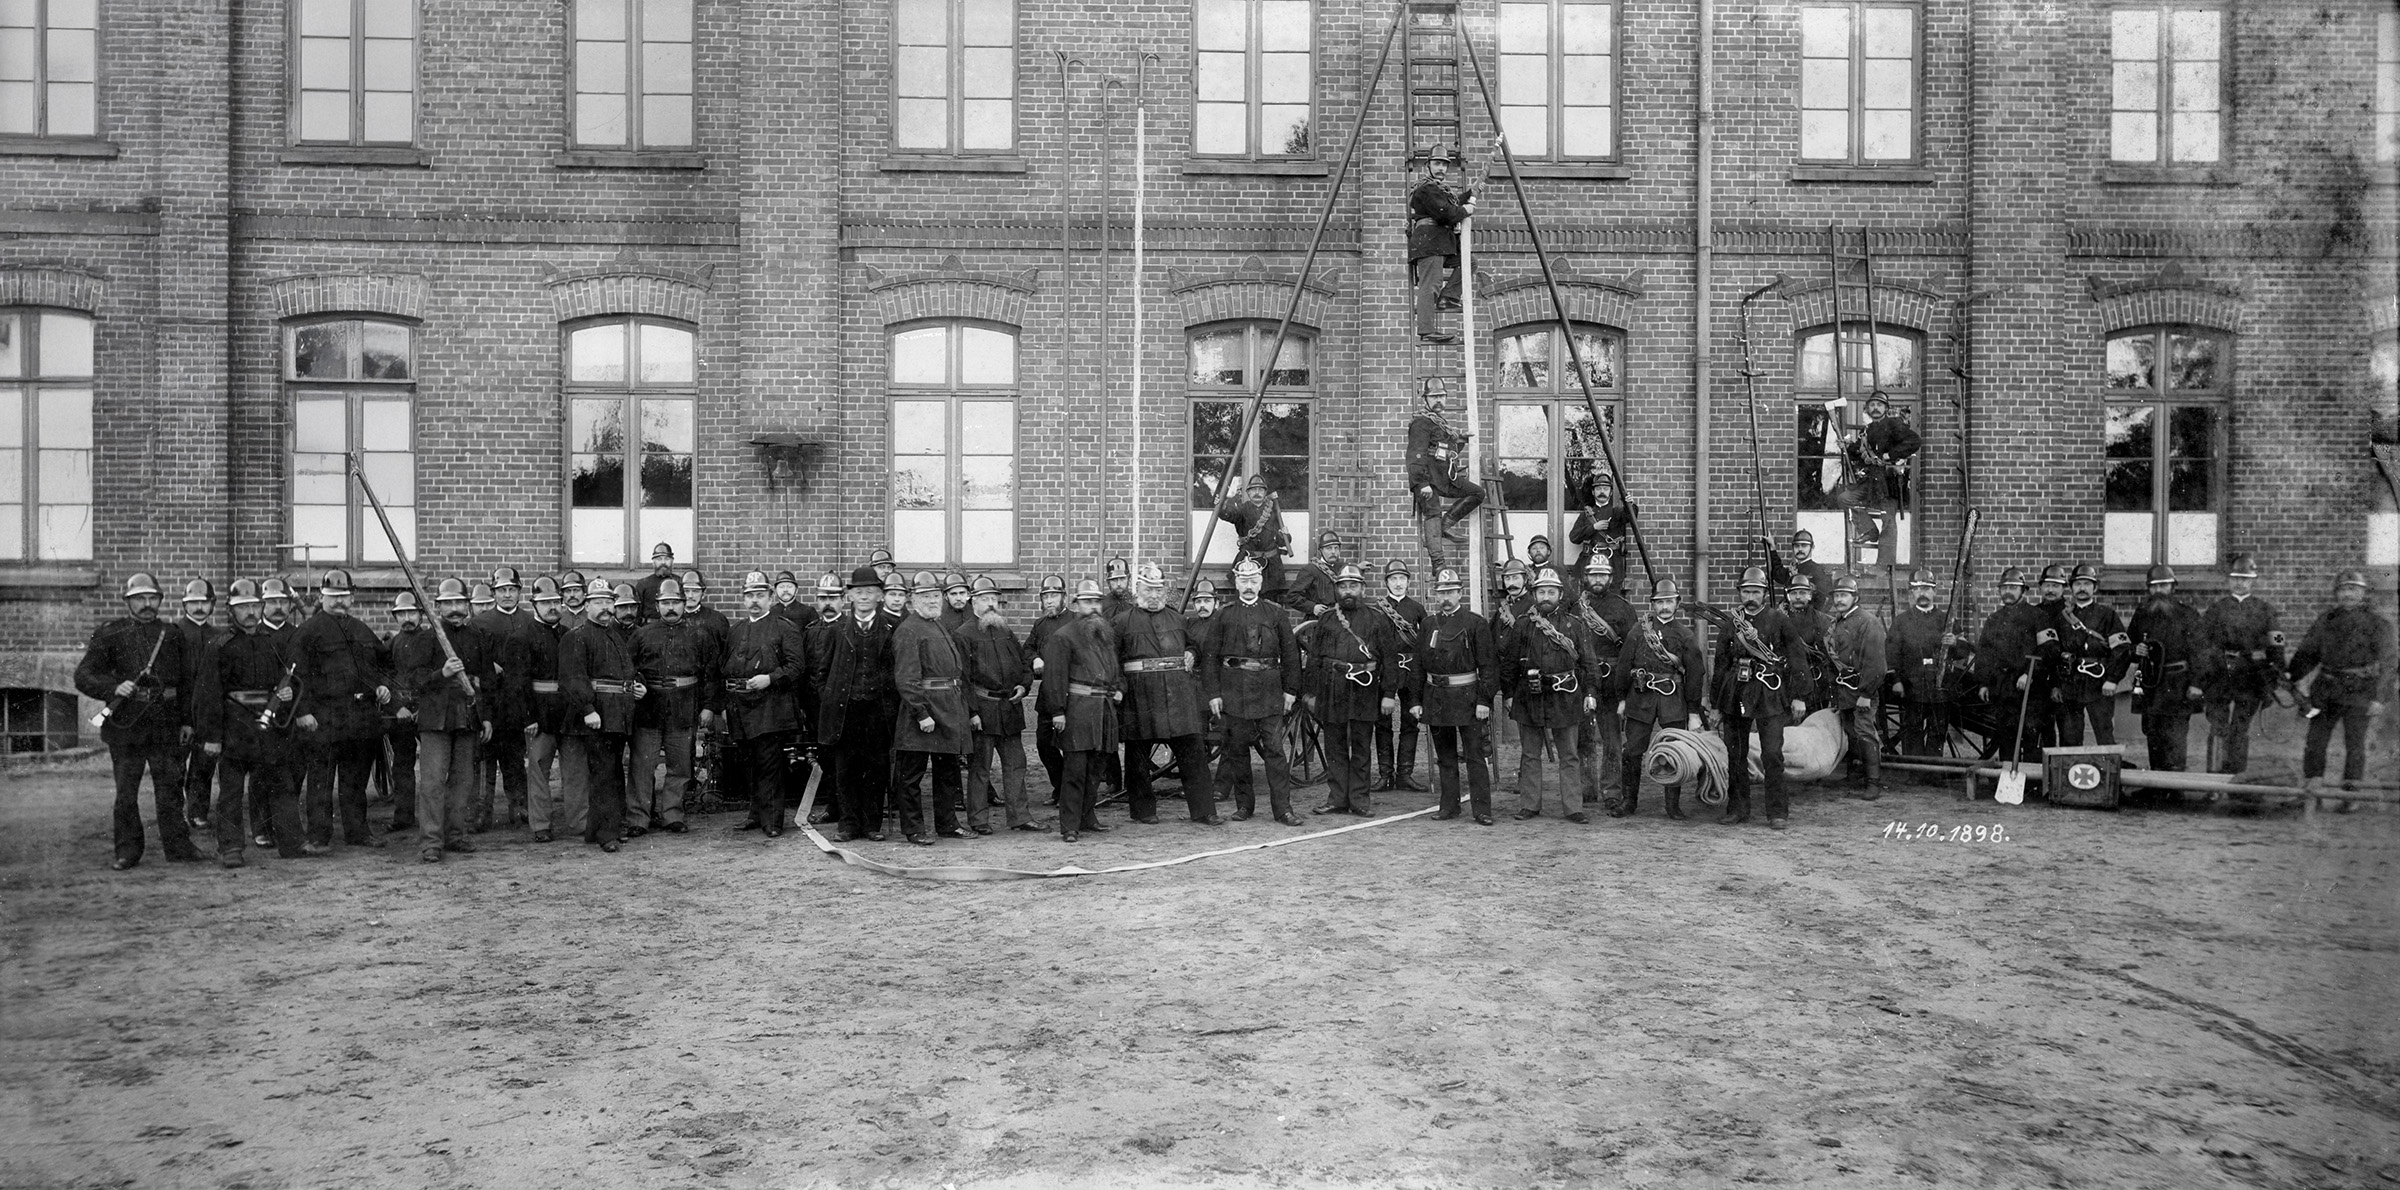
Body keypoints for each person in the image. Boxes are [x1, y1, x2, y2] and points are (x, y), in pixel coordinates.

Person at [77, 572, 198, 868]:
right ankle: (127, 851)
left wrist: (187, 721)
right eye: (140, 598)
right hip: (126, 725)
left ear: (159, 600)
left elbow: (185, 682)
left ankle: (178, 847)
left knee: (170, 789)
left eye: (152, 598)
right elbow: (83, 675)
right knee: (126, 793)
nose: (146, 604)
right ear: (128, 601)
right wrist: (112, 688)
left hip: (165, 723)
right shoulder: (110, 633)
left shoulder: (171, 634)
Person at [194, 579, 303, 866]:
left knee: (282, 786)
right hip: (234, 729)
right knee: (231, 792)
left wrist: (287, 694)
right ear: (231, 611)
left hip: (268, 730)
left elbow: (284, 683)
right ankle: (231, 848)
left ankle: (291, 843)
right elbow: (208, 695)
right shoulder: (219, 646)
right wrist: (212, 737)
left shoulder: (273, 644)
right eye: (243, 607)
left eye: (255, 605)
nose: (250, 612)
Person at [391, 579, 498, 863]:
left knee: (463, 781)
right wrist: (443, 673)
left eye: (459, 603)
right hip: (435, 719)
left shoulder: (478, 637)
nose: (454, 609)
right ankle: (431, 842)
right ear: (437, 607)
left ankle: (455, 835)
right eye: (447, 604)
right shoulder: (427, 639)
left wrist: (486, 718)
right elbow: (413, 679)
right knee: (433, 782)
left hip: (468, 717)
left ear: (467, 605)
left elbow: (487, 681)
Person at [1113, 563, 1223, 826]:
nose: (1153, 595)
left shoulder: (1177, 619)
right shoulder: (1121, 622)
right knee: (1138, 755)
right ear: (1138, 590)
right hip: (1140, 697)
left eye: (1158, 589)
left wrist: (1191, 653)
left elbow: (1193, 645)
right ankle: (1143, 811)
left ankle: (1203, 810)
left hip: (1177, 696)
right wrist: (1119, 688)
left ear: (1165, 591)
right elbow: (1112, 659)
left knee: (1193, 752)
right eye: (1148, 589)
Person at [290, 569, 391, 852]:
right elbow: (296, 677)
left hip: (360, 716)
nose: (338, 602)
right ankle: (319, 836)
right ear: (322, 597)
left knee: (356, 779)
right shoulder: (308, 632)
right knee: (321, 780)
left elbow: (384, 665)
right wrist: (302, 712)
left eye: (343, 596)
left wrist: (383, 686)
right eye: (332, 597)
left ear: (353, 597)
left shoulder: (362, 630)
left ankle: (358, 831)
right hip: (324, 716)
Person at [1202, 558, 1304, 825]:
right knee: (1237, 752)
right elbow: (1210, 657)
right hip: (1234, 692)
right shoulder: (1223, 615)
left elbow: (1291, 656)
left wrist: (1291, 690)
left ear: (1261, 583)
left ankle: (1283, 809)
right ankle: (1244, 806)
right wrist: (1214, 693)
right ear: (1236, 583)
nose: (1248, 586)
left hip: (1269, 691)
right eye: (1243, 581)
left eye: (1253, 581)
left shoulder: (1276, 614)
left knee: (1275, 752)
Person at [1711, 566, 1812, 830]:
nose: (1751, 597)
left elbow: (1797, 657)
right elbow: (1720, 663)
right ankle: (1737, 809)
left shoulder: (1779, 620)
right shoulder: (1731, 623)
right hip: (1736, 692)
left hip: (1770, 691)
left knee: (1772, 754)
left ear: (1764, 593)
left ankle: (1777, 812)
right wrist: (1716, 704)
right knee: (1736, 753)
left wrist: (1799, 696)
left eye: (1756, 591)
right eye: (1746, 591)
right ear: (1740, 593)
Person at [2285, 569, 2392, 806]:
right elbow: (2307, 653)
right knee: (2315, 743)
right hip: (2326, 689)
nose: (2347, 594)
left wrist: (2381, 698)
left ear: (2363, 592)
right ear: (2336, 593)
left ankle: (2350, 796)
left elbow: (2389, 663)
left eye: (2353, 589)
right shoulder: (2326, 620)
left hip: (2360, 690)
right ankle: (2313, 794)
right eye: (2343, 589)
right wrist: (2291, 674)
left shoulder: (2378, 624)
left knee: (2355, 745)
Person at [1503, 567, 1599, 823]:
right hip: (1529, 695)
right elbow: (1510, 663)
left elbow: (1589, 662)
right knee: (1530, 754)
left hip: (1565, 696)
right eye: (1542, 591)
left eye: (1551, 591)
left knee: (1569, 754)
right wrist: (1509, 695)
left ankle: (1573, 808)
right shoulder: (1524, 625)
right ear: (1535, 594)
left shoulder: (1574, 625)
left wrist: (1590, 692)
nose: (1546, 596)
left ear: (1560, 594)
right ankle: (1530, 805)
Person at [719, 570, 809, 836]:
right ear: (744, 600)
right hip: (740, 708)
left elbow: (796, 666)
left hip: (771, 707)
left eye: (760, 595)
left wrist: (770, 678)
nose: (755, 601)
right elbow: (724, 669)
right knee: (750, 765)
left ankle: (772, 821)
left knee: (769, 764)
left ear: (771, 598)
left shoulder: (785, 627)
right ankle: (755, 814)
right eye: (750, 596)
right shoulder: (735, 630)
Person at [1308, 564, 1402, 817]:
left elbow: (1390, 661)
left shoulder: (1377, 619)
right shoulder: (1327, 619)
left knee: (1361, 745)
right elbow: (1315, 659)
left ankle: (1360, 800)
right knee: (1335, 747)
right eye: (1343, 586)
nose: (1347, 591)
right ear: (1336, 589)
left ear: (1362, 588)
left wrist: (1388, 694)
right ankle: (1337, 798)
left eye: (1353, 586)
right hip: (1333, 687)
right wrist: (1311, 694)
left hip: (1365, 687)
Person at [887, 572, 974, 845]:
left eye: (936, 595)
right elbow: (906, 677)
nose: (932, 600)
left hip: (948, 709)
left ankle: (948, 824)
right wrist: (921, 713)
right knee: (911, 775)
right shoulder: (908, 630)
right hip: (922, 713)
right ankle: (913, 829)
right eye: (926, 596)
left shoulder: (938, 625)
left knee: (947, 772)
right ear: (913, 600)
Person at [815, 566, 900, 842]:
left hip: (878, 710)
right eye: (859, 592)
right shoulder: (837, 629)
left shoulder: (891, 629)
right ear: (849, 596)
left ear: (879, 596)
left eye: (870, 592)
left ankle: (871, 825)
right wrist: (832, 700)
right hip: (845, 711)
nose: (864, 597)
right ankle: (848, 825)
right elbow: (821, 673)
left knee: (876, 768)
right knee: (846, 768)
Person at [560, 578, 642, 852]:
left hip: (618, 714)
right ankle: (607, 834)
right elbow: (573, 678)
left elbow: (624, 672)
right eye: (599, 602)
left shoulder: (614, 634)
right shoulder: (576, 637)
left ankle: (598, 829)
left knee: (612, 771)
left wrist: (636, 685)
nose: (606, 607)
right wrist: (588, 709)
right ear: (586, 606)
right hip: (598, 716)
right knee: (604, 774)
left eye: (609, 602)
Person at [1040, 578, 1123, 842]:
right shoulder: (1064, 636)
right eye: (1087, 602)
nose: (1093, 607)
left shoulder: (1105, 633)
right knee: (1075, 770)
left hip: (1103, 711)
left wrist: (1121, 688)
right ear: (1076, 605)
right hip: (1077, 711)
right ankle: (1070, 827)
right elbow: (1054, 677)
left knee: (1096, 770)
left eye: (1097, 601)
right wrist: (1057, 711)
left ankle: (1088, 818)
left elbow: (1116, 670)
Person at [1616, 578, 1706, 819]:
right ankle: (1628, 801)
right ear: (1652, 605)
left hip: (1672, 699)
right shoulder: (1638, 631)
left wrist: (1694, 711)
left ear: (1677, 603)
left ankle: (1672, 806)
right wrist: (1622, 698)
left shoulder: (1685, 635)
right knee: (1632, 750)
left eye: (1669, 601)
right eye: (1659, 602)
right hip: (1640, 696)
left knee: (1673, 750)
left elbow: (1696, 674)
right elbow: (1624, 664)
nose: (1664, 607)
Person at [627, 576, 711, 837]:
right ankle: (639, 817)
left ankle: (672, 814)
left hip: (683, 708)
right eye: (666, 603)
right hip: (649, 708)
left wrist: (708, 706)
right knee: (643, 766)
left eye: (676, 602)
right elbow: (629, 669)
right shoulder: (641, 635)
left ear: (685, 604)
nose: (671, 607)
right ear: (657, 605)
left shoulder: (700, 634)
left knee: (680, 766)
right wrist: (638, 684)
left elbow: (711, 674)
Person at [955, 575, 1039, 833]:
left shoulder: (1006, 631)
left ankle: (1019, 817)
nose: (990, 604)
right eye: (984, 599)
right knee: (980, 768)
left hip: (1009, 709)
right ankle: (978, 820)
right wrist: (971, 712)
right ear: (973, 601)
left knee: (1016, 765)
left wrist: (1024, 686)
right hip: (983, 709)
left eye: (994, 599)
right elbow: (963, 679)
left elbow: (1025, 663)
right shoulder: (963, 634)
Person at [1414, 567, 1498, 824]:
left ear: (1460, 593)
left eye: (1451, 592)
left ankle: (1482, 810)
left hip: (1468, 698)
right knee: (1445, 756)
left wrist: (1484, 700)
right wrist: (1416, 701)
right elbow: (1418, 665)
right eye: (1442, 593)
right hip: (1437, 698)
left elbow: (1488, 666)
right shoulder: (1428, 625)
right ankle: (1449, 806)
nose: (1446, 597)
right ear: (1435, 596)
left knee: (1475, 755)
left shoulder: (1475, 623)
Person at [2120, 565, 2211, 775]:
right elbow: (2128, 647)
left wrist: (2197, 684)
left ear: (2172, 587)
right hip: (2151, 684)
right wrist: (2136, 649)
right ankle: (2157, 786)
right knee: (2153, 734)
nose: (2159, 590)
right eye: (2155, 586)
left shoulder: (2187, 614)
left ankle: (2175, 787)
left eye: (2164, 585)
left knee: (2176, 736)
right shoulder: (2142, 614)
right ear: (2149, 590)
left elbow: (2201, 652)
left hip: (2178, 684)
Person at [2202, 553, 2282, 776]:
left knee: (2240, 729)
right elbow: (2203, 643)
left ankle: (2236, 777)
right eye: (2235, 578)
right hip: (2220, 674)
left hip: (2251, 676)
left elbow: (2277, 641)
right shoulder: (2216, 610)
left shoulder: (2265, 610)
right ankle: (2214, 780)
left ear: (2252, 581)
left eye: (2244, 579)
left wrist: (2275, 673)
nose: (2239, 583)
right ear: (2228, 581)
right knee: (2218, 727)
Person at [469, 567, 537, 832]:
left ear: (520, 592)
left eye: (512, 589)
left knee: (514, 758)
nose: (507, 594)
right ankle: (481, 813)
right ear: (494, 592)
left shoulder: (529, 621)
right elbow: (470, 659)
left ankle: (518, 808)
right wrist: (488, 665)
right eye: (501, 590)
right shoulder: (480, 623)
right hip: (489, 702)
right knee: (485, 759)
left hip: (517, 702)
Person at [1572, 555, 1636, 812]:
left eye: (1602, 575)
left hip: (1611, 678)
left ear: (1610, 578)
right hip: (1583, 678)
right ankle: (1585, 789)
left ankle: (1611, 790)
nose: (1597, 580)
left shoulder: (1623, 607)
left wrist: (1624, 688)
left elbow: (1631, 648)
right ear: (1585, 577)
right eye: (1593, 575)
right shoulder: (1576, 608)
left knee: (1611, 738)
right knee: (1583, 736)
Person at [1973, 566, 2048, 765]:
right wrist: (1983, 683)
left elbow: (2049, 649)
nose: (2008, 591)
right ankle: (2008, 779)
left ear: (2023, 590)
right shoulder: (1994, 620)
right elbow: (1984, 654)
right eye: (2004, 587)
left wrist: (2029, 674)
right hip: (2003, 687)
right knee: (2005, 734)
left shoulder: (2037, 617)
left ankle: (2031, 784)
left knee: (2031, 734)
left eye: (2014, 587)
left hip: (2029, 688)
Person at [522, 576, 577, 843]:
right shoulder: (522, 637)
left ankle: (580, 821)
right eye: (545, 602)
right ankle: (541, 825)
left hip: (568, 712)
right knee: (539, 769)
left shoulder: (569, 635)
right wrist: (528, 716)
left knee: (576, 770)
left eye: (556, 601)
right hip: (539, 713)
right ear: (534, 604)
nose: (552, 607)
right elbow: (517, 683)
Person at [1823, 574, 1889, 799]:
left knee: (1865, 733)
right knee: (1851, 732)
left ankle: (1874, 782)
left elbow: (1876, 662)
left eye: (1844, 595)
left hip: (1862, 690)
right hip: (1844, 689)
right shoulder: (1838, 623)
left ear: (1855, 597)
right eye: (1837, 595)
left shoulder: (1868, 621)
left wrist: (1867, 693)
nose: (1839, 600)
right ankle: (1856, 774)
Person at [1887, 567, 1965, 757]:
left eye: (1927, 588)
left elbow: (1963, 652)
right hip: (1912, 686)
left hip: (1940, 688)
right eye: (1918, 589)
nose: (1922, 593)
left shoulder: (1947, 620)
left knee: (1937, 731)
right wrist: (1896, 680)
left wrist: (1955, 643)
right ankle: (1915, 772)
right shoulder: (1902, 621)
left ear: (1935, 591)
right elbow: (1892, 654)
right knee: (1912, 730)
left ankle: (1933, 773)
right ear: (1912, 593)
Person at [2051, 563, 2129, 748]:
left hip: (2099, 681)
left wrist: (2113, 679)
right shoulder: (2062, 618)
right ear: (2071, 588)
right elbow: (2054, 653)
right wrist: (2056, 685)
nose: (2082, 588)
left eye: (2087, 584)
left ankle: (2107, 775)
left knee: (2104, 733)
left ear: (2095, 587)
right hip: (2070, 682)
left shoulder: (2107, 615)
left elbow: (2122, 649)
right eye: (2078, 584)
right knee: (2070, 737)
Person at [1406, 382, 1483, 567]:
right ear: (1425, 399)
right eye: (1434, 397)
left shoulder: (1439, 423)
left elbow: (1446, 451)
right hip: (1426, 479)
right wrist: (1422, 483)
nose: (1438, 400)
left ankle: (1445, 525)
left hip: (1444, 476)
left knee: (1477, 493)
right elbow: (1415, 455)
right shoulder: (1421, 422)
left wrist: (1460, 439)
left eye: (1441, 396)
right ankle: (1438, 564)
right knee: (1432, 513)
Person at [1371, 559, 1428, 792]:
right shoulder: (1377, 609)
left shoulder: (1416, 609)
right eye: (1393, 579)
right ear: (1386, 582)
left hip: (1411, 671)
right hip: (1385, 671)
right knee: (1382, 722)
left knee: (1410, 722)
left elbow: (1424, 643)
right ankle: (1385, 775)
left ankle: (1405, 773)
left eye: (1402, 579)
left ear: (1408, 582)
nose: (1398, 583)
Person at [173, 577, 224, 834]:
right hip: (180, 713)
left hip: (208, 713)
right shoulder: (175, 634)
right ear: (184, 605)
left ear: (212, 604)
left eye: (204, 602)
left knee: (204, 765)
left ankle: (198, 811)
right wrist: (184, 717)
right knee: (176, 766)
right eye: (193, 603)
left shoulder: (219, 637)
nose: (199, 608)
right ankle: (174, 814)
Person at [1407, 148, 1473, 343]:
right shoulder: (1425, 188)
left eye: (1444, 164)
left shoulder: (1440, 190)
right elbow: (1445, 213)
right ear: (1428, 166)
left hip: (1441, 242)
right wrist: (1465, 210)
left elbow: (1450, 205)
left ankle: (1448, 297)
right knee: (1431, 284)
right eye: (1437, 163)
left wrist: (1470, 193)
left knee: (1469, 262)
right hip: (1429, 241)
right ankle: (1426, 330)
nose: (1441, 168)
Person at [1847, 395, 1922, 549]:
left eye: (1879, 405)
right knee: (1845, 498)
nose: (1875, 408)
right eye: (1872, 405)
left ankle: (1884, 567)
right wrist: (1847, 446)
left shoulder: (1894, 425)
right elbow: (1859, 452)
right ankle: (1869, 530)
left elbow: (1915, 441)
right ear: (1867, 409)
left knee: (1888, 521)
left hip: (1889, 483)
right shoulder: (1867, 430)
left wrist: (1890, 454)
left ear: (1886, 409)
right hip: (1870, 482)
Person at [1024, 574, 1075, 800]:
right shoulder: (1040, 624)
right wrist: (1035, 658)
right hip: (1047, 695)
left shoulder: (1075, 621)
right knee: (1044, 744)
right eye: (1046, 597)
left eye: (1055, 596)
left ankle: (1073, 792)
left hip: (1072, 693)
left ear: (1064, 597)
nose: (1050, 601)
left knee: (1073, 746)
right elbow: (1026, 649)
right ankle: (1060, 787)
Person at [379, 593, 426, 836]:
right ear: (396, 616)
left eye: (412, 613)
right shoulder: (390, 646)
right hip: (401, 715)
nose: (407, 618)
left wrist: (423, 709)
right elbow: (384, 678)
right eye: (402, 614)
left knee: (434, 766)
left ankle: (434, 818)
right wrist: (397, 707)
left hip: (427, 713)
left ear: (421, 614)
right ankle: (404, 816)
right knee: (402, 766)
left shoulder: (431, 641)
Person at [1217, 474, 1291, 603]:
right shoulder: (1242, 509)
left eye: (1261, 490)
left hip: (1271, 566)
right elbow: (1230, 515)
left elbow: (1281, 541)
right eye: (1254, 490)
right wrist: (1222, 506)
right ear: (1248, 493)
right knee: (1245, 599)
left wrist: (1284, 535)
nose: (1257, 493)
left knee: (1270, 604)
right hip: (1248, 562)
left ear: (1265, 492)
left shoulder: (1273, 510)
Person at [1567, 473, 1638, 589]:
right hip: (1590, 560)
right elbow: (1573, 537)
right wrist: (1593, 527)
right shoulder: (1586, 515)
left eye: (1605, 489)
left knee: (1613, 595)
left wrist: (1629, 504)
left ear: (1610, 492)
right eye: (1598, 489)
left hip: (1612, 561)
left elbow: (1631, 516)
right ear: (1593, 492)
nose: (1602, 492)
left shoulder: (1617, 512)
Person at [631, 541, 677, 625]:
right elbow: (637, 613)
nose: (663, 562)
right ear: (653, 562)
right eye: (659, 559)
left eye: (667, 559)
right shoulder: (643, 584)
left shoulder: (679, 582)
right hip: (649, 628)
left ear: (672, 561)